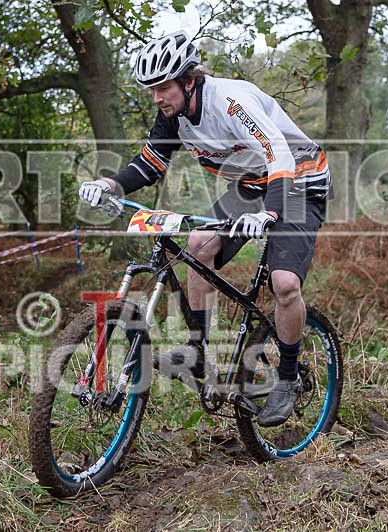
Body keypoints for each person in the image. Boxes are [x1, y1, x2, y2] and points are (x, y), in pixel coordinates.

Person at [78, 31, 331, 427]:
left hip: (298, 182)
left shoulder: (231, 102)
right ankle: (196, 351)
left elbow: (277, 153)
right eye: (151, 90)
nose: (157, 98)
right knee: (197, 245)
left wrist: (270, 213)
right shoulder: (172, 116)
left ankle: (287, 377)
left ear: (189, 80)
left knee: (284, 284)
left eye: (164, 88)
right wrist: (108, 185)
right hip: (252, 185)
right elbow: (149, 165)